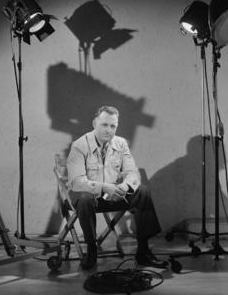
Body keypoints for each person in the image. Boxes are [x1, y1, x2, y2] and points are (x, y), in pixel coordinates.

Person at [67, 105, 165, 269]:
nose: (108, 130)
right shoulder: (79, 145)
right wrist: (105, 187)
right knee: (84, 198)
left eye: (113, 126)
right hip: (86, 196)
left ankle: (143, 251)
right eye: (104, 125)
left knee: (142, 192)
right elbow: (77, 183)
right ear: (94, 124)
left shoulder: (121, 143)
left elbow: (133, 173)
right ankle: (92, 250)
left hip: (111, 195)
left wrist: (125, 186)